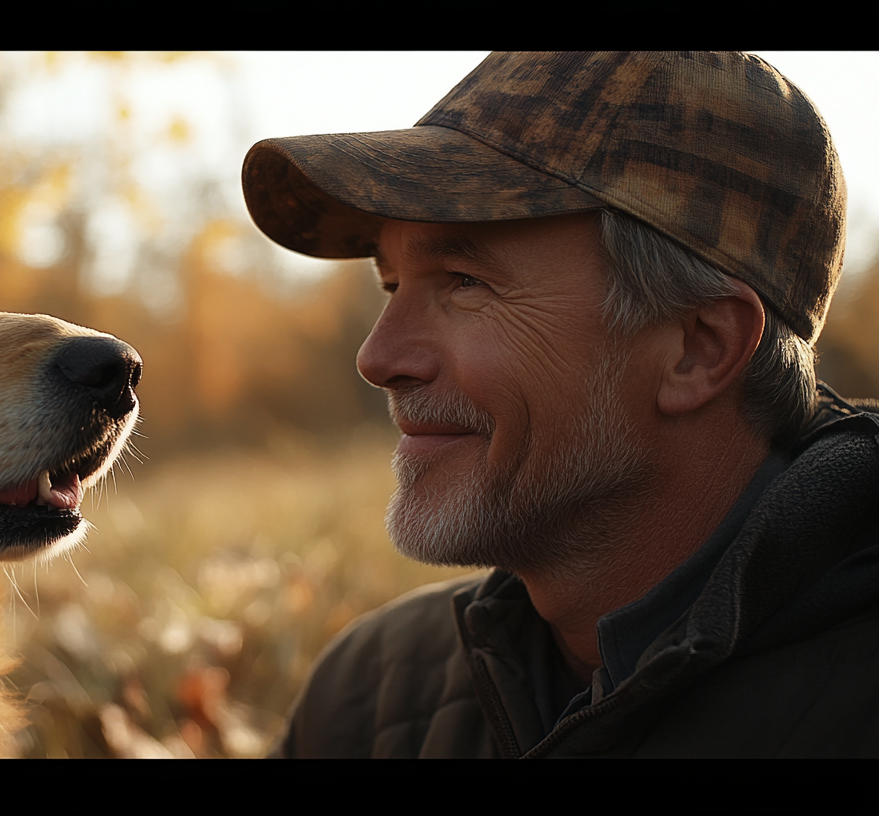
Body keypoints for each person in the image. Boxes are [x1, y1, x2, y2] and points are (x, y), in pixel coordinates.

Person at [241, 51, 879, 757]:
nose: (378, 358)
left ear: (699, 346)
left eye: (463, 281)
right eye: (393, 285)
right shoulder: (372, 692)